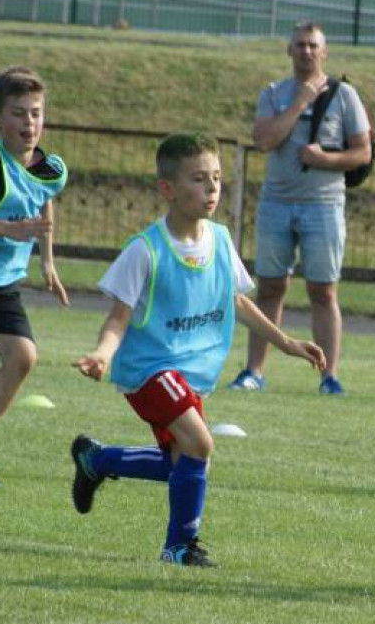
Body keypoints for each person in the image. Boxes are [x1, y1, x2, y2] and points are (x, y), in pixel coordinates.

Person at [70, 133, 324, 566]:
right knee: (201, 446)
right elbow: (119, 316)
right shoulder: (145, 249)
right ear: (167, 189)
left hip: (190, 373)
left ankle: (98, 459)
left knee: (182, 463)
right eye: (199, 179)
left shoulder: (221, 241)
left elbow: (237, 301)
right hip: (150, 369)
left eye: (218, 179)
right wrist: (103, 353)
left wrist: (285, 342)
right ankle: (180, 547)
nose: (212, 189)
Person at [230, 21, 371, 395]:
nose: (306, 52)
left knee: (323, 291)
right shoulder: (274, 93)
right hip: (277, 202)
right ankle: (253, 371)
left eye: (313, 46)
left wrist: (325, 159)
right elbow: (263, 140)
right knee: (270, 288)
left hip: (323, 205)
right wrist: (302, 101)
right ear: (288, 51)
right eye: (300, 45)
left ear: (324, 52)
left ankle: (329, 376)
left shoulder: (345, 96)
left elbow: (363, 152)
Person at [0, 66, 68, 493]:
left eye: (36, 113)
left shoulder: (52, 168)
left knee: (23, 357)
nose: (29, 123)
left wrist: (47, 263)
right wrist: (4, 229)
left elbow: (43, 201)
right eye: (18, 113)